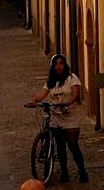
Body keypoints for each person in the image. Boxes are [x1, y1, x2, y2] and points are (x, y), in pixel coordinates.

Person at [25, 55, 90, 183]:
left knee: (73, 145)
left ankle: (82, 171)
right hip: (56, 115)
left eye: (61, 63)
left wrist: (68, 104)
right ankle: (64, 172)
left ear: (65, 65)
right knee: (60, 146)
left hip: (70, 115)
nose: (58, 66)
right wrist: (34, 101)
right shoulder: (51, 81)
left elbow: (76, 94)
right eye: (56, 64)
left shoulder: (72, 78)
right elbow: (43, 94)